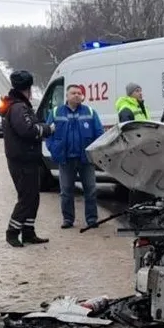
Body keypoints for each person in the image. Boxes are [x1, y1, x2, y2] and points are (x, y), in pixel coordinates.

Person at [0, 70, 55, 248]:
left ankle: (28, 232)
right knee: (26, 198)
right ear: (27, 89)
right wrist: (47, 129)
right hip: (22, 160)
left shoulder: (19, 105)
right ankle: (12, 232)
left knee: (33, 198)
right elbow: (28, 130)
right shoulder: (18, 107)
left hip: (27, 159)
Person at [45, 84, 104, 229]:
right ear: (67, 96)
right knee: (66, 191)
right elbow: (48, 135)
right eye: (73, 93)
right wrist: (54, 150)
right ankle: (68, 219)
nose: (77, 95)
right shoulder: (56, 113)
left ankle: (91, 219)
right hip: (65, 160)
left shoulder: (90, 112)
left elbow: (99, 134)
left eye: (79, 93)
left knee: (90, 190)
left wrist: (94, 153)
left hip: (85, 159)